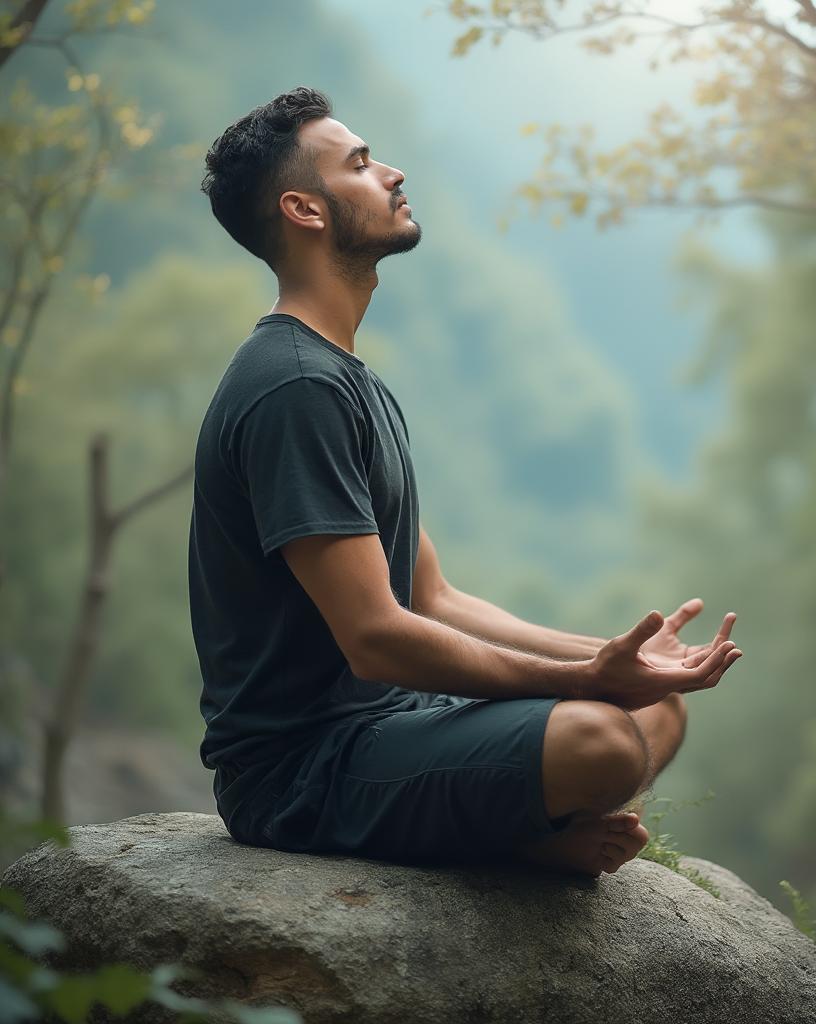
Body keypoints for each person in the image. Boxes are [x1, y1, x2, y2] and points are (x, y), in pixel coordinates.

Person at [188, 86, 743, 879]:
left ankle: (521, 830)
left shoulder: (346, 378)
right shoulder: (293, 387)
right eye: (361, 164)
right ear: (305, 211)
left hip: (389, 726)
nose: (392, 172)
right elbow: (376, 636)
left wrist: (623, 659)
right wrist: (585, 681)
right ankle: (521, 836)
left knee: (658, 709)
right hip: (303, 772)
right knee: (604, 741)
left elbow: (435, 597)